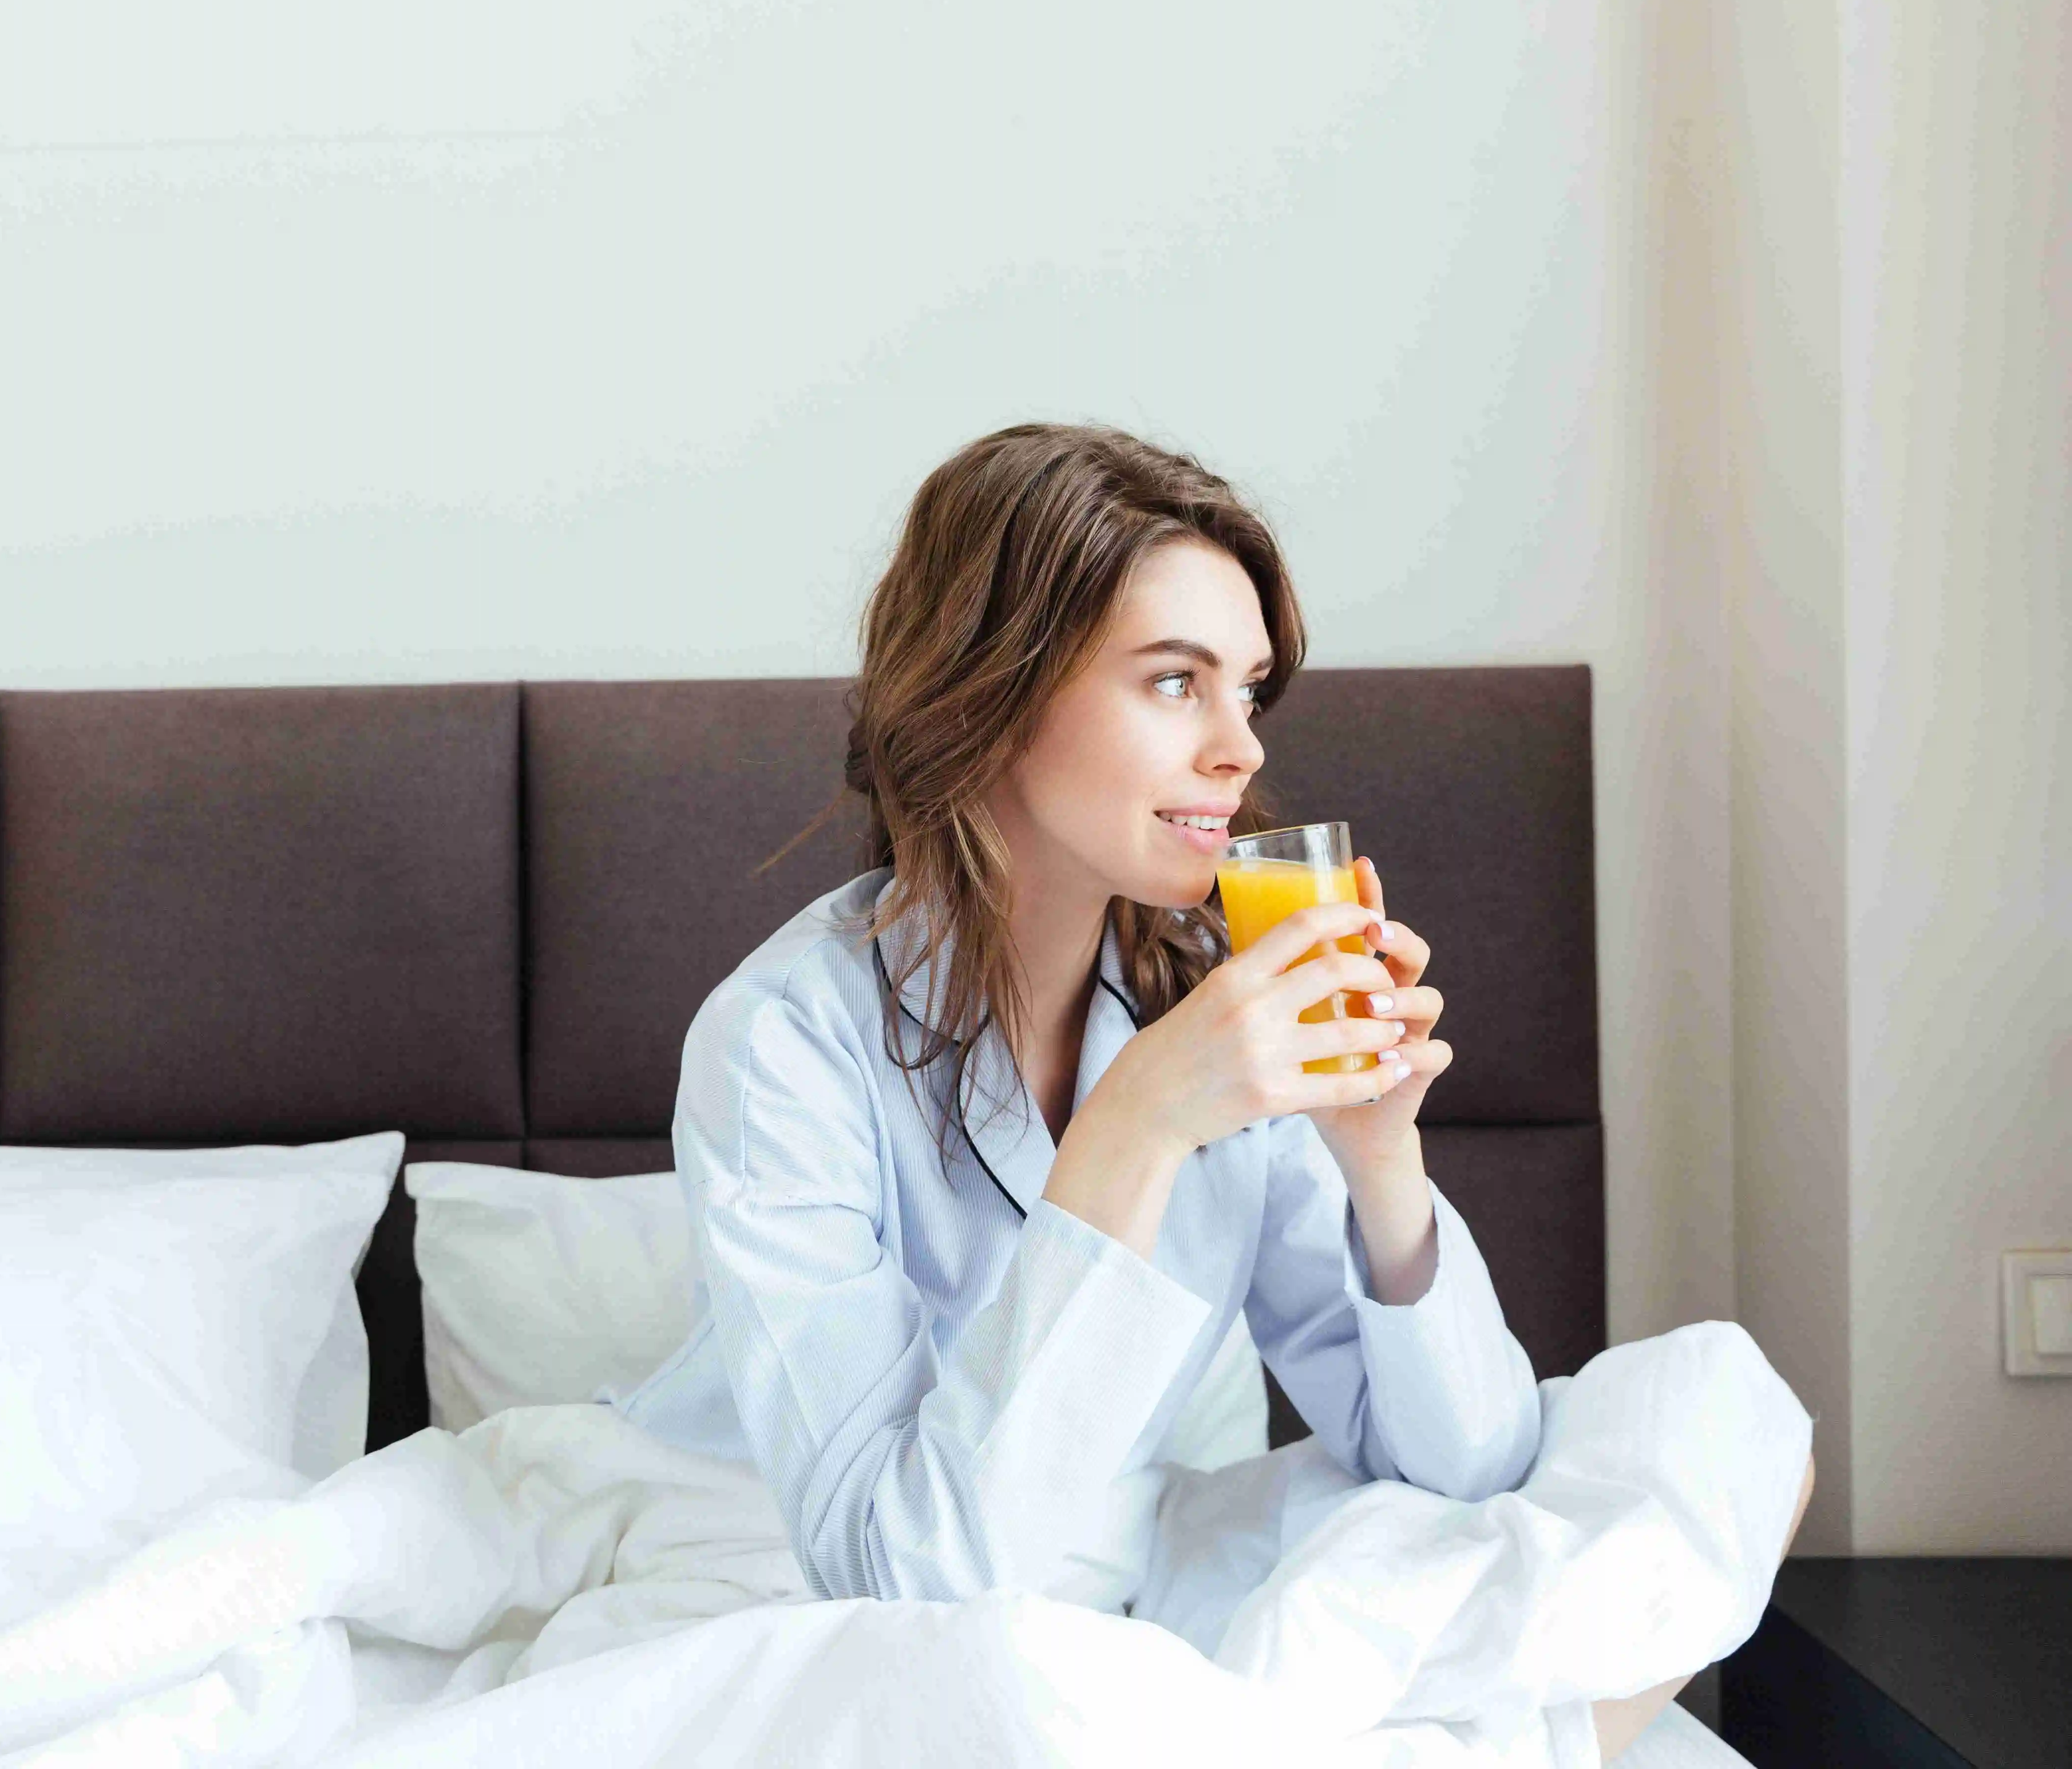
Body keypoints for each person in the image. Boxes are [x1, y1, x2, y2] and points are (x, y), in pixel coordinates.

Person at [615, 422, 1807, 1759]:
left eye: (1250, 691)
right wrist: (1136, 1126)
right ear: (990, 694)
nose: (1241, 749)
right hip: (819, 1604)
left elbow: (1467, 1474)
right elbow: (913, 1583)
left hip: (1128, 1571)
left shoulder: (1208, 1004)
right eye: (1176, 682)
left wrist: (1378, 1157)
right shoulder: (786, 1042)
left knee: (1718, 1410)